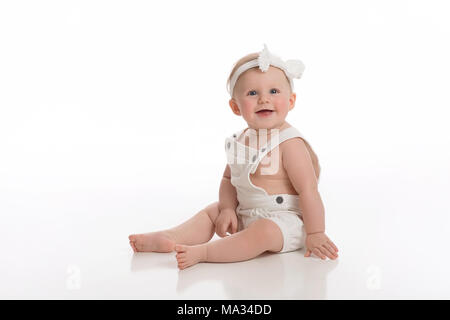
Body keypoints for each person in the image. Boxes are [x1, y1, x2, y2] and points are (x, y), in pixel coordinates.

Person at [129, 44, 339, 270]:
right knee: (213, 211)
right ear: (235, 107)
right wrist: (228, 208)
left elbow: (309, 190)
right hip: (245, 211)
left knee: (263, 233)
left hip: (283, 221)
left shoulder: (290, 143)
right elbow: (229, 180)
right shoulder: (241, 140)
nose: (263, 99)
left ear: (291, 101)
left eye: (274, 91)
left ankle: (205, 252)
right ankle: (172, 236)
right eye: (252, 93)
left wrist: (316, 232)